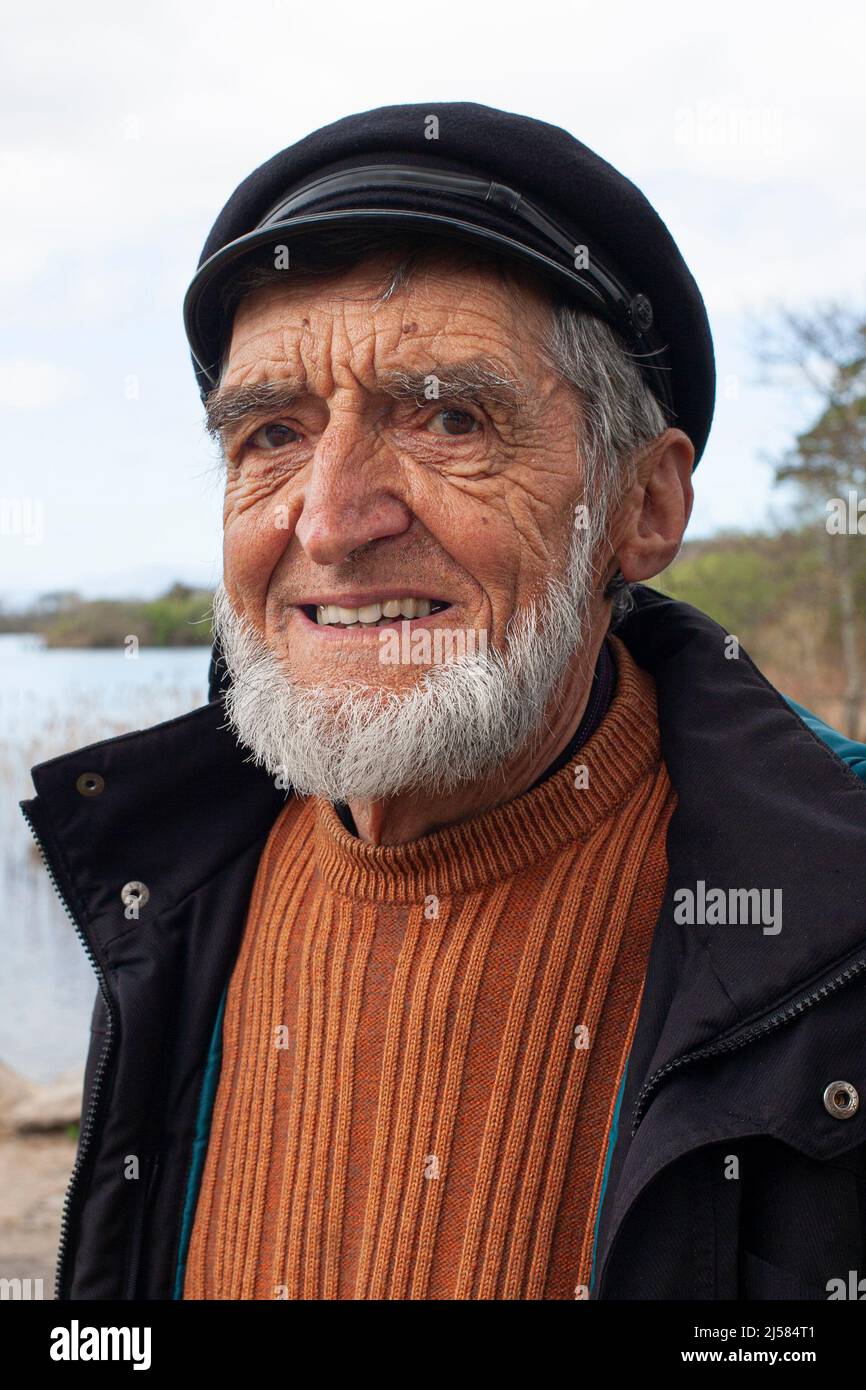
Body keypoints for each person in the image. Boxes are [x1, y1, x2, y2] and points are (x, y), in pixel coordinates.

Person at [22, 101, 866, 1301]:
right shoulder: (170, 890)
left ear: (643, 508)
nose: (328, 518)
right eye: (270, 434)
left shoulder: (834, 922)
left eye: (449, 419)